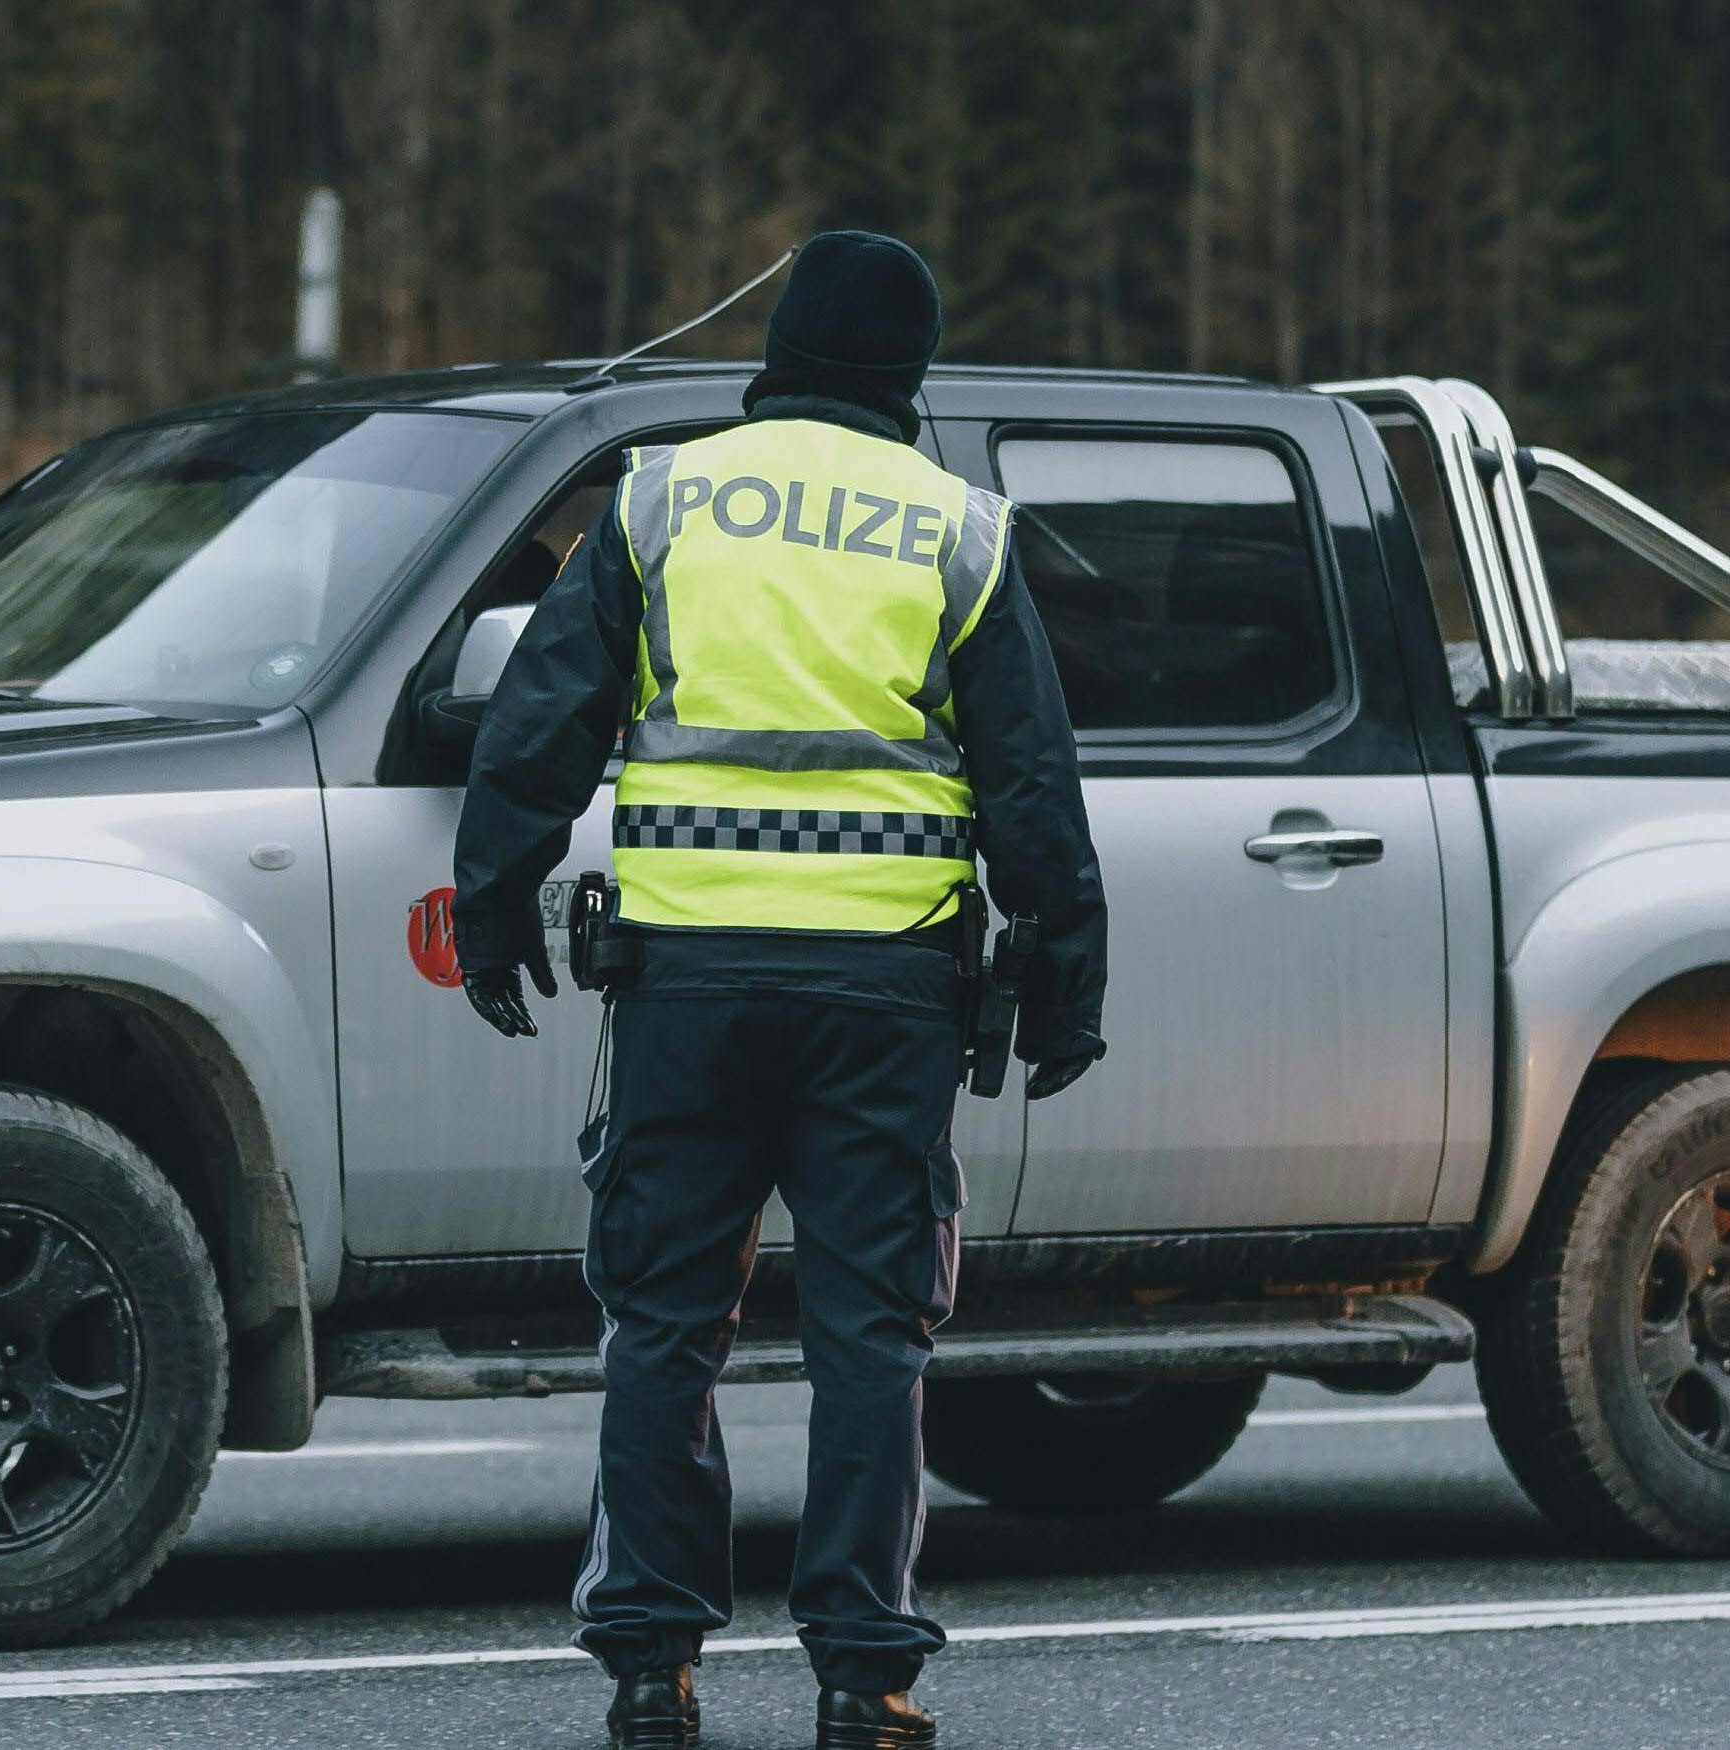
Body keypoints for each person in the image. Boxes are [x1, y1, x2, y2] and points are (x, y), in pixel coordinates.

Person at [451, 229, 1110, 1750]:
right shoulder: (957, 531)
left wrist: (492, 910)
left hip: (684, 990)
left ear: (780, 351)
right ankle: (867, 1676)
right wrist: (1067, 975)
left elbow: (536, 728)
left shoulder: (661, 501)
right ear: (909, 370)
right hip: (887, 997)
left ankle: (651, 1666)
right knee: (871, 1336)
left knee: (663, 1325)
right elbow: (1032, 783)